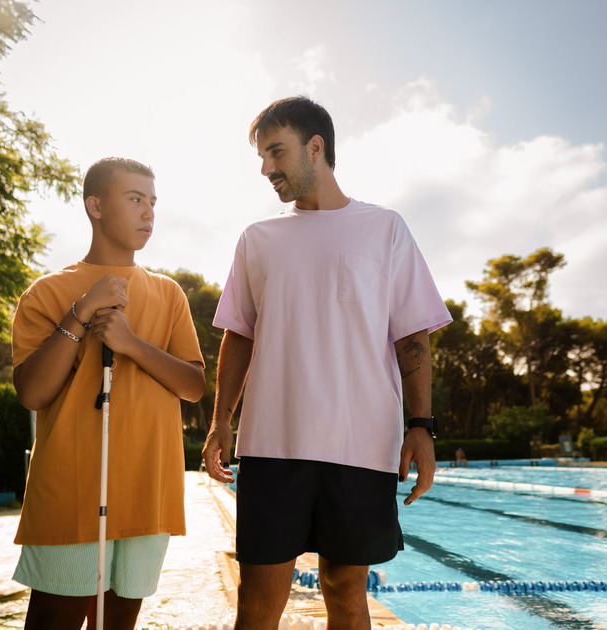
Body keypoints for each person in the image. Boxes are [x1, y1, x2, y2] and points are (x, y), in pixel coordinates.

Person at [202, 97, 452, 630]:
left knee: (345, 591)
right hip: (273, 443)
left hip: (360, 446)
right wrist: (221, 421)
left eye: (276, 152)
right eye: (262, 156)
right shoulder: (257, 239)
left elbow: (412, 336)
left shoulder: (384, 229)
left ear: (316, 147)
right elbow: (238, 336)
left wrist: (422, 427)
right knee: (259, 599)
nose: (266, 168)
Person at [11, 157, 206, 630]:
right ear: (95, 206)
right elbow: (33, 393)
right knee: (53, 621)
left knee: (119, 622)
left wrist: (131, 345)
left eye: (153, 203)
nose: (149, 214)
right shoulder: (48, 292)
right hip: (72, 490)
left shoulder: (169, 294)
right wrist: (81, 313)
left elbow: (193, 385)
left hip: (147, 490)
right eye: (135, 199)